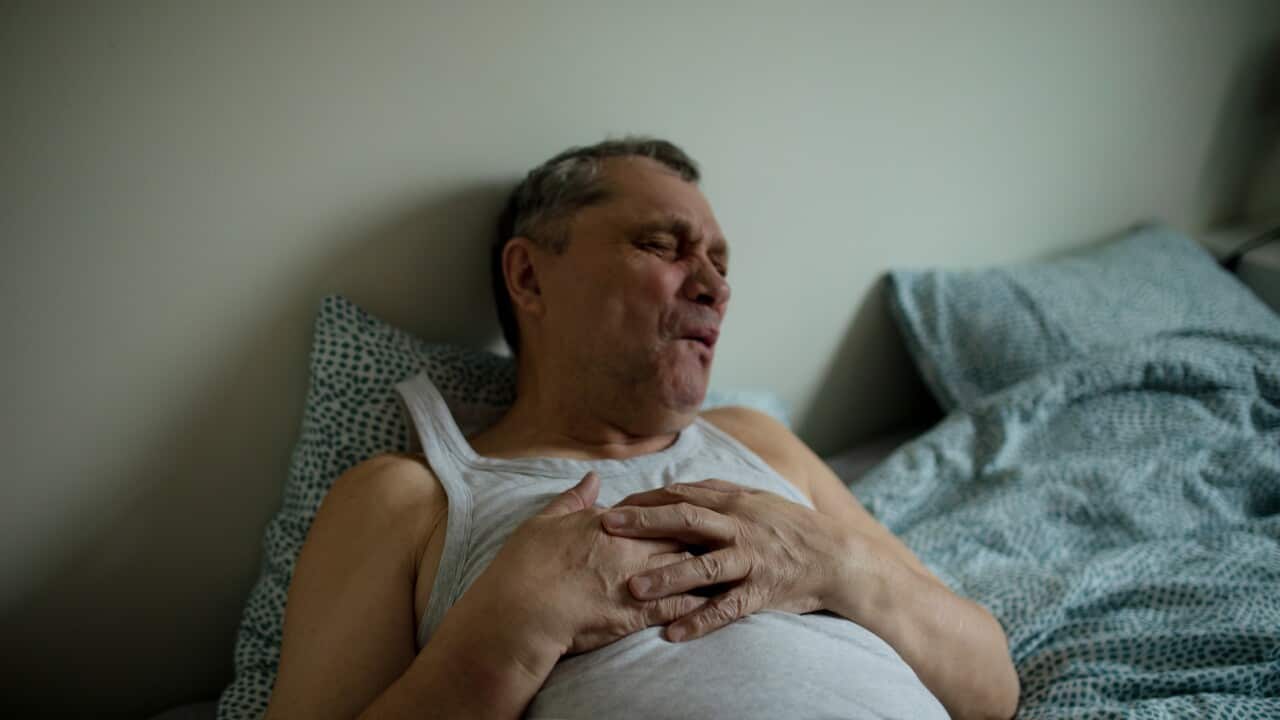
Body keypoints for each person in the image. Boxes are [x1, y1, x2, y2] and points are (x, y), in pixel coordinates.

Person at [264, 137, 1020, 720]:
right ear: (528, 277)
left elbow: (992, 685)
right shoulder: (409, 497)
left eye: (721, 263)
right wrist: (499, 643)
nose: (716, 286)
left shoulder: (756, 439)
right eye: (662, 245)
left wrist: (838, 565)